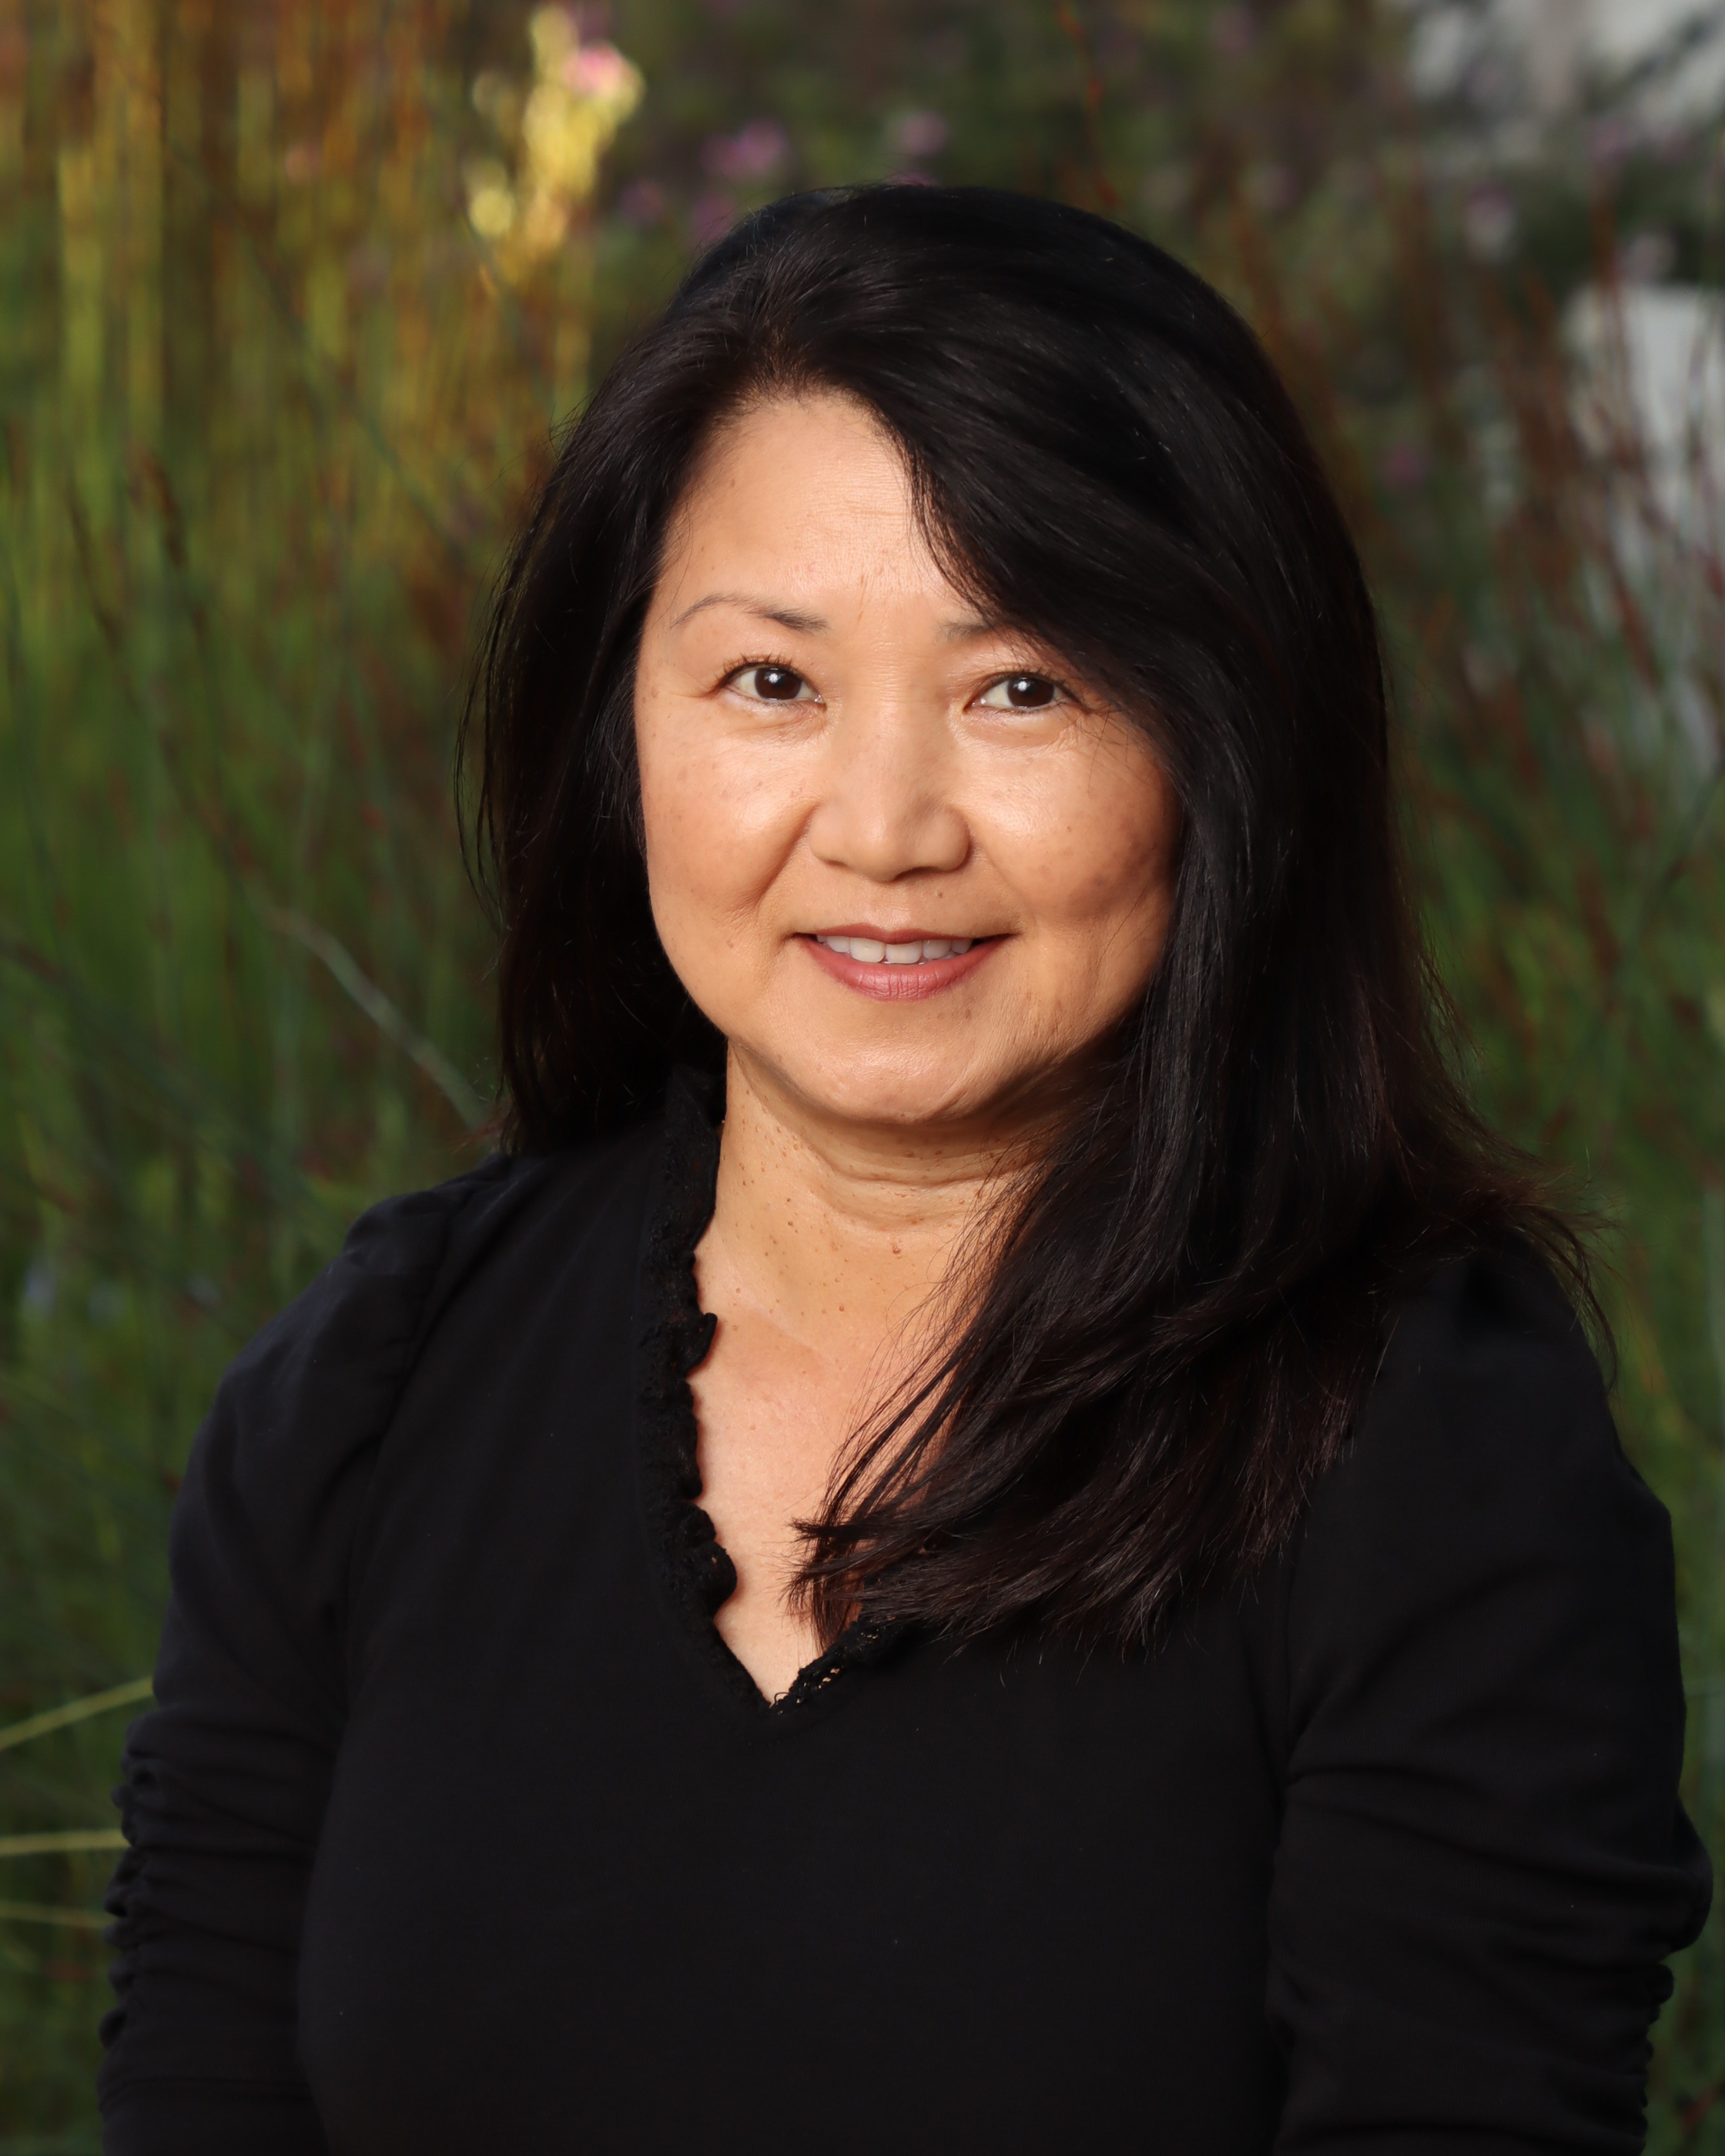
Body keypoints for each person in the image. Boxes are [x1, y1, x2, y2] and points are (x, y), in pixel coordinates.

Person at [98, 186, 1708, 2154]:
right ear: (620, 725)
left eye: (1020, 686)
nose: (881, 827)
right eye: (769, 682)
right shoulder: (375, 1385)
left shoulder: (1421, 1441)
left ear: (1227, 743)